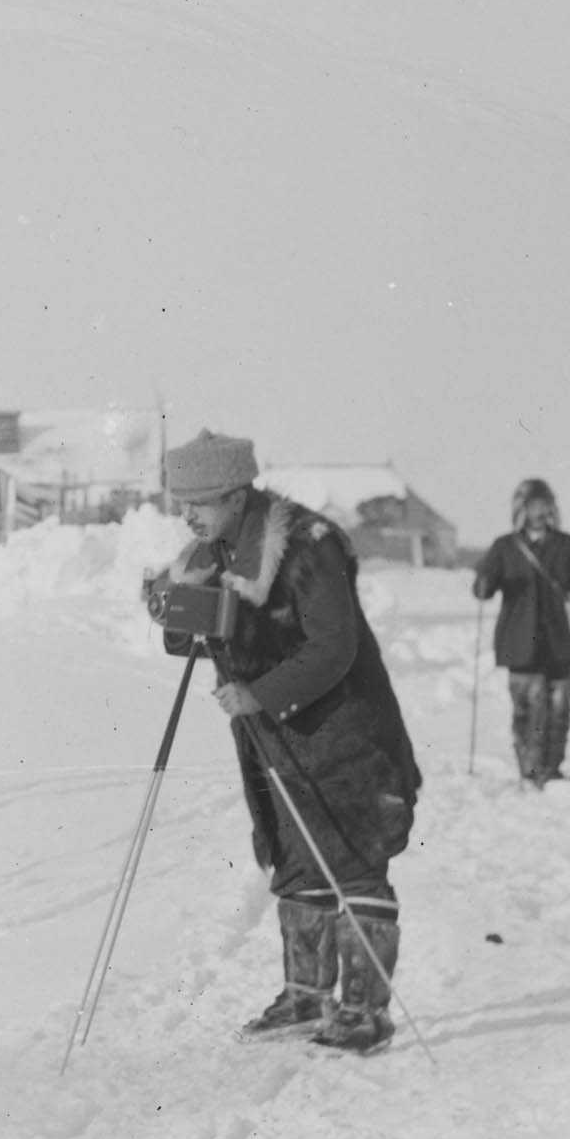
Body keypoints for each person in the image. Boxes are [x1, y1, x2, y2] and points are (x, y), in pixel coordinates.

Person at [143, 435, 424, 1053]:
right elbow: (194, 632)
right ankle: (306, 995)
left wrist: (260, 694)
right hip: (274, 738)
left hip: (345, 731)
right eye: (181, 503)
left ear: (238, 497)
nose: (188, 516)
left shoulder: (307, 548)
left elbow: (333, 646)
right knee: (296, 857)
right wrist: (173, 610)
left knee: (352, 860)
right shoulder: (211, 550)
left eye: (201, 503)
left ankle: (363, 1012)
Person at [472, 477, 570, 785]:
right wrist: (484, 582)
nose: (540, 512)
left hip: (559, 642)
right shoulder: (504, 547)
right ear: (521, 509)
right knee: (528, 711)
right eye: (532, 506)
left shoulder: (566, 545)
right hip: (520, 644)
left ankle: (552, 769)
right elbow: (483, 589)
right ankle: (530, 770)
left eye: (545, 505)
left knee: (559, 709)